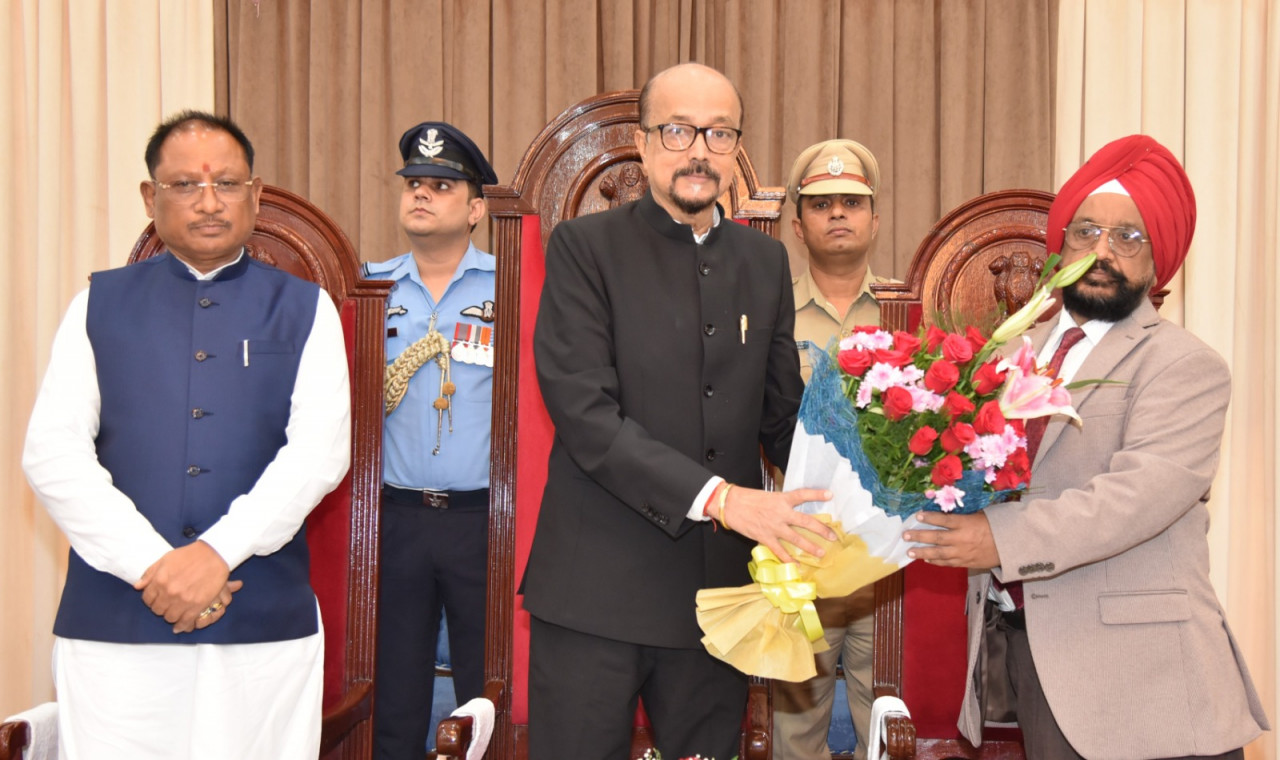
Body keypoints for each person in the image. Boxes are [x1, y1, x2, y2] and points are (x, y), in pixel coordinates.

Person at [903, 134, 1269, 759]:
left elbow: (1137, 495)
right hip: (1034, 670)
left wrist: (999, 539)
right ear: (1059, 247)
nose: (1102, 251)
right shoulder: (1006, 355)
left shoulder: (1185, 365)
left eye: (1128, 237)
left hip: (1152, 682)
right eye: (1086, 232)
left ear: (1159, 262)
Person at [522, 62, 837, 760]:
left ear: (736, 150)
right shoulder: (584, 248)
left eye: (719, 133)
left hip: (717, 600)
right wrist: (726, 499)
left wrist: (891, 466)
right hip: (593, 594)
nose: (699, 149)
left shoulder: (763, 261)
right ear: (642, 142)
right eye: (678, 129)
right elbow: (585, 416)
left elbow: (783, 420)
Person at [22, 110, 351, 759]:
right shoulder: (97, 303)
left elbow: (319, 454)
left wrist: (214, 555)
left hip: (262, 628)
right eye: (185, 185)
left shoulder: (307, 309)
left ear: (256, 195)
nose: (208, 202)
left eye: (227, 184)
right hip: (115, 625)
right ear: (151, 198)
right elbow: (52, 453)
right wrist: (154, 566)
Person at [364, 121, 499, 760]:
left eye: (441, 186)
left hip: (483, 520)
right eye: (414, 184)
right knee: (393, 688)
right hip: (395, 519)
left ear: (475, 209)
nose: (422, 194)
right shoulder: (369, 287)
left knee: (484, 691)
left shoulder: (513, 287)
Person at [773, 139, 893, 760]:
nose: (838, 214)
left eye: (852, 202)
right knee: (795, 727)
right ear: (798, 224)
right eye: (822, 204)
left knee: (890, 716)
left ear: (876, 219)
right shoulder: (770, 313)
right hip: (799, 552)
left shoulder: (909, 309)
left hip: (888, 561)